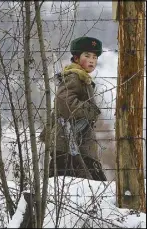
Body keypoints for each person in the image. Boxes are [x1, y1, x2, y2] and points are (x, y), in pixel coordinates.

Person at [39, 36, 107, 181]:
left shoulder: (82, 77)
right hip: (67, 141)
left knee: (73, 182)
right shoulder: (74, 76)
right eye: (87, 56)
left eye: (95, 57)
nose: (92, 60)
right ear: (76, 58)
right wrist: (90, 110)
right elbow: (63, 102)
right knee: (65, 181)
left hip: (78, 142)